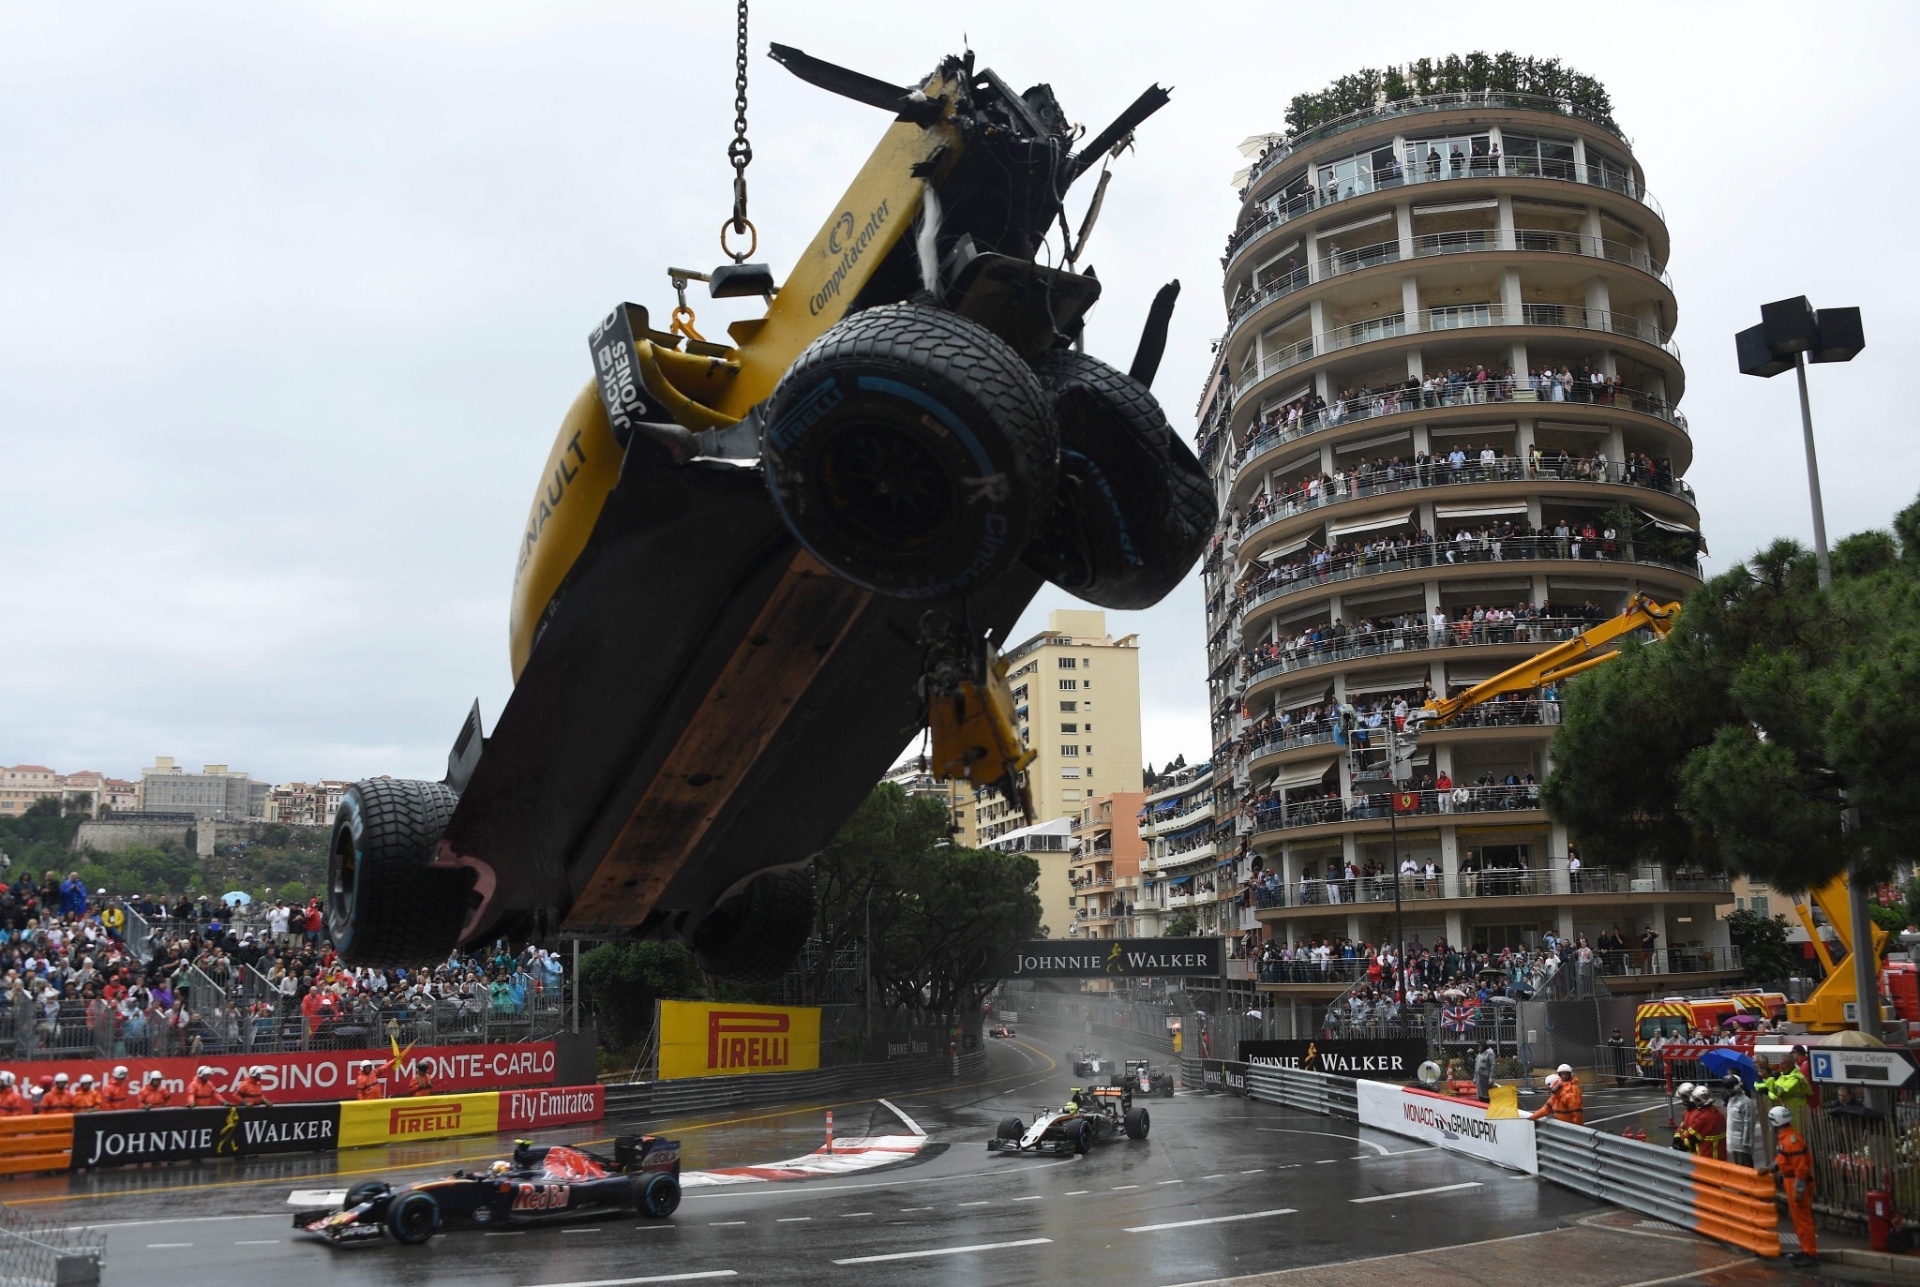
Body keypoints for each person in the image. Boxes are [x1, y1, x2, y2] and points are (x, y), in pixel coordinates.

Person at [1767, 1104, 1818, 1266]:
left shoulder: (1791, 1141)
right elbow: (1783, 1159)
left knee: (1803, 1219)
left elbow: (1801, 1168)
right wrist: (1770, 1168)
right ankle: (1805, 1250)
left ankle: (1810, 1253)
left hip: (1795, 1182)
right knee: (1798, 1219)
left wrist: (1799, 1189)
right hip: (1791, 1181)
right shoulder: (1787, 1139)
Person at [1684, 1085, 1727, 1161]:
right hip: (1721, 1155)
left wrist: (1682, 1140)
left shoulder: (1704, 1118)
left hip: (1707, 1156)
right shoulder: (1719, 1113)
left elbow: (1692, 1139)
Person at [1724, 1074, 1758, 1168]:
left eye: (1730, 1088)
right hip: (1733, 1142)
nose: (1728, 1091)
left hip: (1742, 1144)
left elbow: (1749, 1123)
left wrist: (1747, 1143)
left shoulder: (1746, 1102)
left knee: (1745, 1167)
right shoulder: (1731, 1100)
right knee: (1738, 1168)